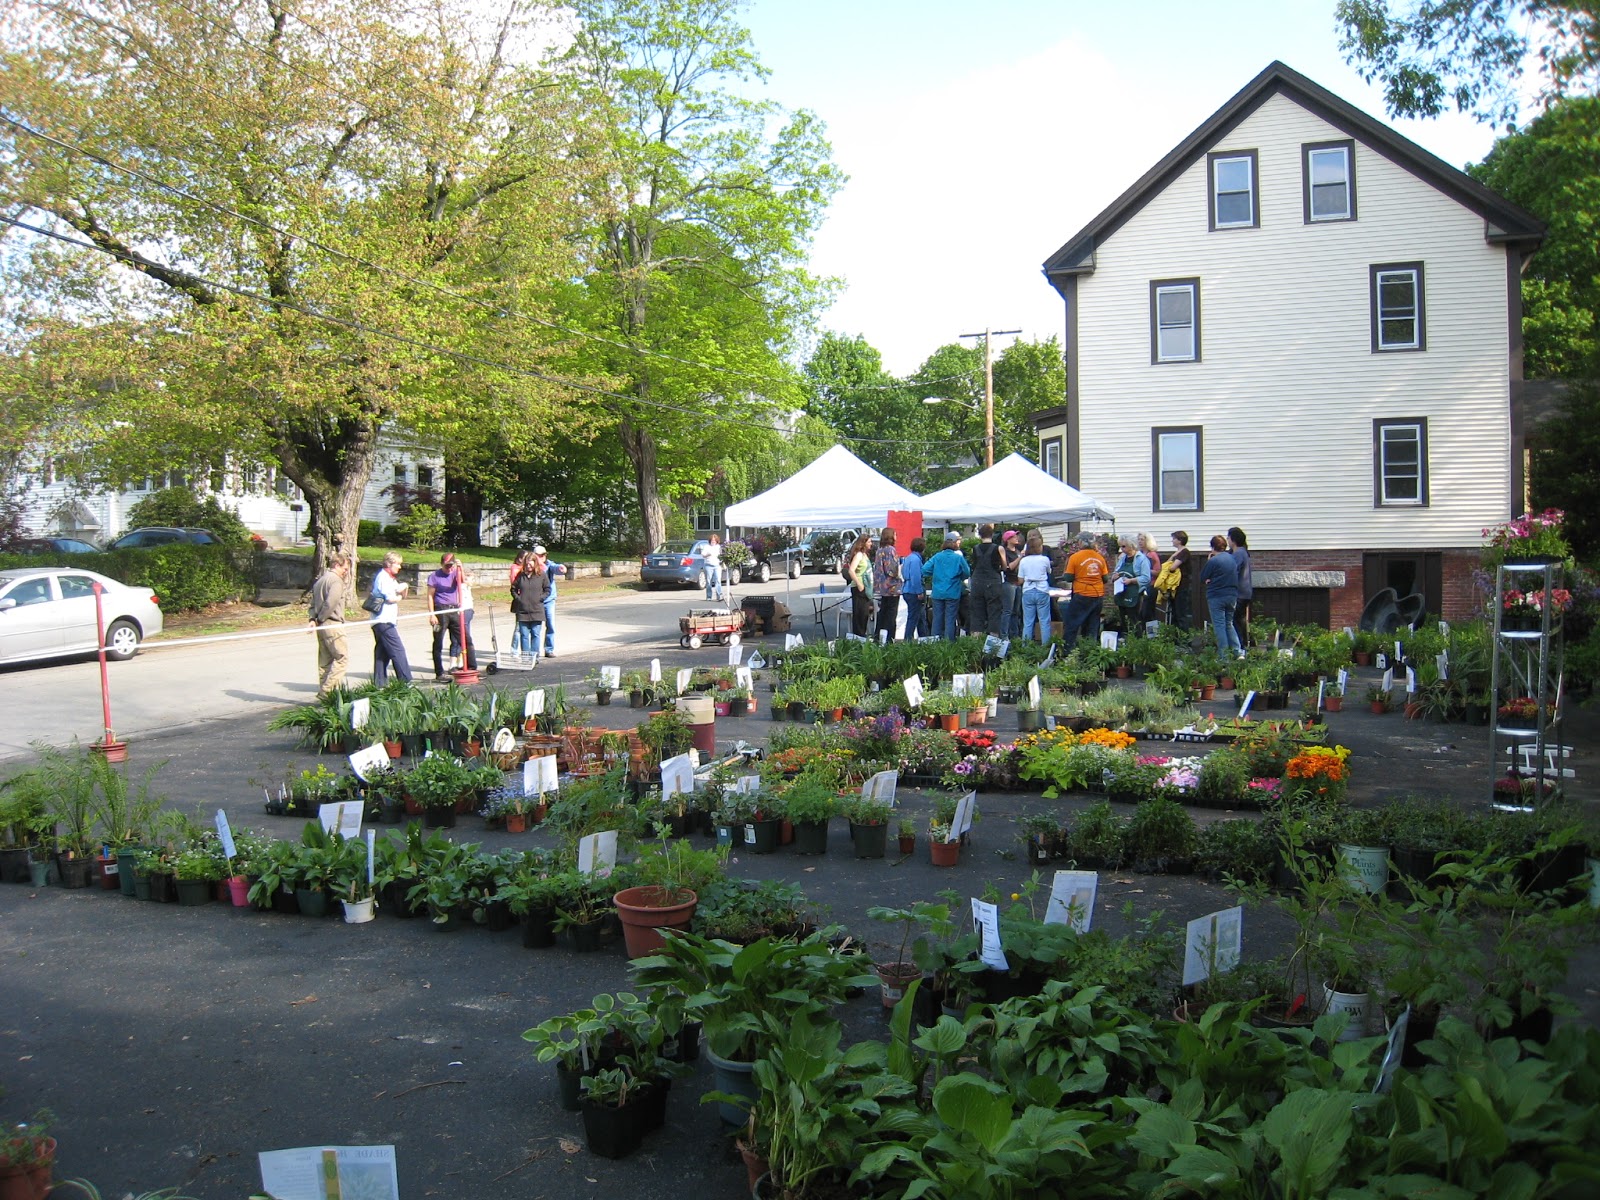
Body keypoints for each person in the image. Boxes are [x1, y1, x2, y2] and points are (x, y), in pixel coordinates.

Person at [426, 552, 477, 679]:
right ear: (442, 564)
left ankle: (472, 667)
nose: (449, 568)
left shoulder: (456, 572)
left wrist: (460, 567)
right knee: (438, 641)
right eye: (446, 566)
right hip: (441, 610)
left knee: (466, 639)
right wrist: (432, 614)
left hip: (454, 610)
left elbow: (464, 581)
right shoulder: (434, 576)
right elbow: (430, 596)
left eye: (451, 565)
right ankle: (439, 672)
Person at [308, 551, 351, 699]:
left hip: (321, 625)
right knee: (341, 658)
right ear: (336, 565)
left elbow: (313, 604)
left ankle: (325, 690)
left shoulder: (320, 581)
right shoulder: (336, 581)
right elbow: (330, 603)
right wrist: (320, 619)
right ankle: (327, 691)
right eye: (345, 569)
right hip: (332, 623)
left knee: (325, 661)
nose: (346, 572)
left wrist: (313, 619)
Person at [370, 550, 413, 684]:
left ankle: (380, 683)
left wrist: (404, 587)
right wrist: (399, 595)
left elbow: (402, 595)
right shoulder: (383, 577)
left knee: (382, 653)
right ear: (389, 564)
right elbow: (390, 598)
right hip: (383, 620)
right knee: (397, 650)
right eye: (398, 564)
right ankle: (405, 681)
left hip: (387, 619)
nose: (400, 567)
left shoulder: (391, 579)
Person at [1061, 532, 1109, 644]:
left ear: (1081, 542)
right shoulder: (1100, 558)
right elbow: (1105, 578)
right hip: (1097, 595)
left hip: (1081, 594)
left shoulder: (1075, 557)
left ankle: (1068, 650)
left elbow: (1068, 577)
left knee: (1072, 623)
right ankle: (1090, 649)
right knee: (1093, 625)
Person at [922, 531, 971, 640]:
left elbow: (924, 569)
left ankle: (935, 642)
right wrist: (960, 577)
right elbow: (967, 572)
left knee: (937, 619)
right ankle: (949, 645)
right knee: (950, 619)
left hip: (938, 593)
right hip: (953, 592)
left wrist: (934, 573)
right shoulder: (958, 558)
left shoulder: (937, 557)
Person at [1202, 534, 1244, 659]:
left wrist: (1209, 562)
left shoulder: (1214, 560)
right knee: (1229, 623)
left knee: (1219, 625)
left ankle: (1224, 656)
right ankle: (1237, 651)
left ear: (1212, 546)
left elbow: (1203, 576)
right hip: (1232, 596)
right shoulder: (1232, 559)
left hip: (1216, 596)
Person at [967, 523, 1006, 637]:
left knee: (977, 613)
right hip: (993, 583)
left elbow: (973, 565)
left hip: (977, 582)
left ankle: (975, 644)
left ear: (980, 535)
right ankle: (992, 645)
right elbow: (1004, 566)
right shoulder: (999, 548)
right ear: (992, 534)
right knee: (994, 612)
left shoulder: (975, 548)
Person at [510, 550, 550, 661]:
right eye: (526, 564)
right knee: (524, 635)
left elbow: (547, 589)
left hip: (537, 610)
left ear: (535, 563)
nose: (528, 566)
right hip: (522, 611)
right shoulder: (520, 575)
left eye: (530, 564)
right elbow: (513, 589)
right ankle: (525, 657)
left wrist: (540, 598)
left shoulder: (541, 575)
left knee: (535, 634)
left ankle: (534, 656)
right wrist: (519, 599)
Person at [1017, 530, 1053, 645]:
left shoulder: (1023, 561)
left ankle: (1025, 646)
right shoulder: (1044, 559)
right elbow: (1048, 571)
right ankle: (1045, 646)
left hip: (1028, 590)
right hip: (1042, 589)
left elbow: (1020, 580)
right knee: (1044, 621)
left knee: (1028, 622)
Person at [1112, 536, 1151, 633]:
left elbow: (1146, 578)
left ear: (1131, 545)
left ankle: (1136, 641)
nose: (1121, 549)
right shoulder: (1122, 559)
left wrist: (1131, 580)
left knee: (1134, 620)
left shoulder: (1142, 559)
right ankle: (1125, 639)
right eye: (1120, 546)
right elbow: (1115, 572)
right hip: (1121, 592)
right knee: (1123, 619)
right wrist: (1114, 577)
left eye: (1124, 546)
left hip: (1134, 593)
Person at [534, 545, 566, 655]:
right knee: (536, 627)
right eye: (538, 555)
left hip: (549, 600)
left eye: (542, 555)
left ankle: (549, 649)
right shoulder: (532, 566)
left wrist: (561, 568)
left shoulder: (549, 564)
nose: (541, 558)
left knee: (550, 625)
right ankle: (535, 652)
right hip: (536, 600)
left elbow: (555, 567)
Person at [872, 527, 902, 642]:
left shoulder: (880, 550)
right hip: (892, 588)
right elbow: (892, 570)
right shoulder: (891, 550)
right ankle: (890, 639)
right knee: (891, 615)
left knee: (882, 614)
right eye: (895, 534)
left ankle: (877, 638)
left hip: (882, 587)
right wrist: (899, 572)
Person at [843, 531, 874, 637]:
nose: (871, 544)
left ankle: (862, 634)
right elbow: (851, 570)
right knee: (860, 614)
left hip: (866, 587)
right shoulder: (859, 555)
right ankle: (858, 636)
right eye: (869, 542)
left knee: (865, 614)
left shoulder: (865, 555)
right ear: (863, 542)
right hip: (858, 588)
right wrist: (859, 584)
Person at [1228, 527, 1252, 649]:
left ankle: (1239, 646)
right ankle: (1245, 644)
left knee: (1234, 621)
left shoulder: (1238, 554)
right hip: (1246, 592)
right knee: (1241, 619)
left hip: (1239, 592)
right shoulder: (1244, 552)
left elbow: (1232, 571)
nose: (1227, 540)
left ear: (1233, 539)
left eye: (1228, 537)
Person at [900, 536, 928, 640]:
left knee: (919, 616)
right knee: (913, 618)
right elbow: (916, 577)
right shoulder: (916, 560)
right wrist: (919, 592)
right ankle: (908, 639)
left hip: (906, 589)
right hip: (913, 592)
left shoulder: (908, 558)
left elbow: (903, 572)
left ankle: (923, 638)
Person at [1167, 531, 1193, 630]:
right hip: (1175, 586)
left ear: (1180, 540)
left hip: (1182, 585)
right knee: (1175, 612)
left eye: (1174, 539)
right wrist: (1174, 555)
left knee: (1181, 612)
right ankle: (1176, 635)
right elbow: (1168, 562)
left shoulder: (1184, 552)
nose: (1172, 541)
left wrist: (1174, 557)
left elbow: (1172, 567)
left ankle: (1184, 637)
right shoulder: (1178, 552)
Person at [999, 530, 1022, 638]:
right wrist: (1020, 558)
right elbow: (1009, 567)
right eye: (1014, 537)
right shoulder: (1005, 552)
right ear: (1008, 540)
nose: (1016, 538)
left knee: (1016, 611)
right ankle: (1004, 635)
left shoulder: (1018, 551)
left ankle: (1015, 635)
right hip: (1009, 583)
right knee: (1007, 610)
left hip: (1018, 583)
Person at [701, 534, 724, 603]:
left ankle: (719, 596)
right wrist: (708, 554)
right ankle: (709, 596)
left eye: (714, 540)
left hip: (717, 565)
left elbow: (721, 555)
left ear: (717, 541)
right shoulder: (707, 547)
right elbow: (703, 555)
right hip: (708, 565)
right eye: (712, 540)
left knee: (718, 580)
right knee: (708, 581)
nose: (713, 541)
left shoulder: (718, 547)